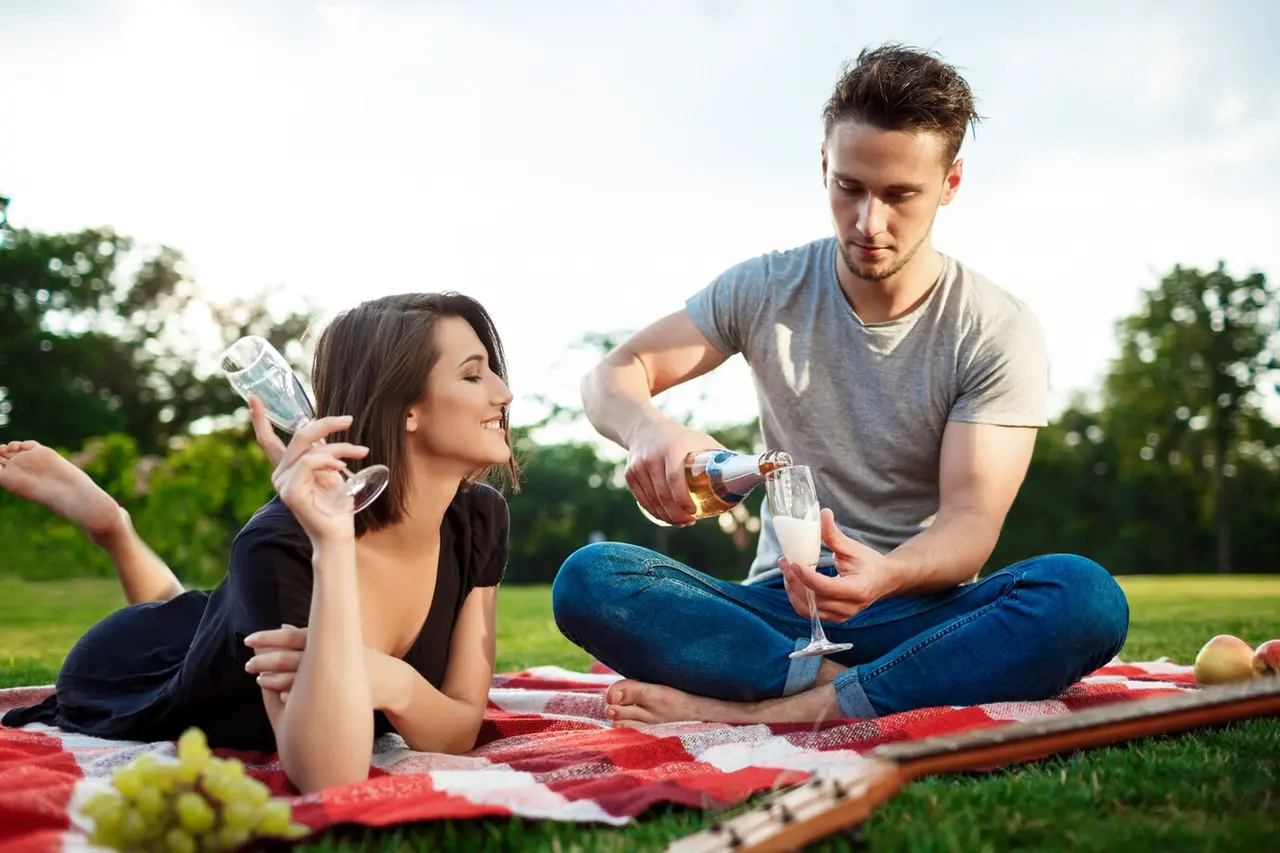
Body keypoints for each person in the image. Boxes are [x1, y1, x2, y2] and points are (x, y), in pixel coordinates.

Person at [551, 44, 1130, 728]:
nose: (867, 222)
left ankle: (780, 708)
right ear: (824, 164)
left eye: (899, 195)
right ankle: (856, 690)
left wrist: (883, 575)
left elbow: (970, 523)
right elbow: (610, 374)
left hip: (926, 610)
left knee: (1084, 597)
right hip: (780, 612)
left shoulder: (995, 326)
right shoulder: (767, 287)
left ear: (950, 184)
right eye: (849, 187)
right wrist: (649, 427)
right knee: (591, 579)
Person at [0, 292, 518, 794]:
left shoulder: (478, 522)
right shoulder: (282, 544)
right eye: (473, 375)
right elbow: (329, 775)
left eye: (491, 370)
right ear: (405, 408)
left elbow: (459, 729)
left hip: (222, 626)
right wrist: (333, 544)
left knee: (208, 620)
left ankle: (115, 527)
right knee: (196, 641)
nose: (504, 393)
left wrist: (390, 680)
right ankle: (112, 526)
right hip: (127, 670)